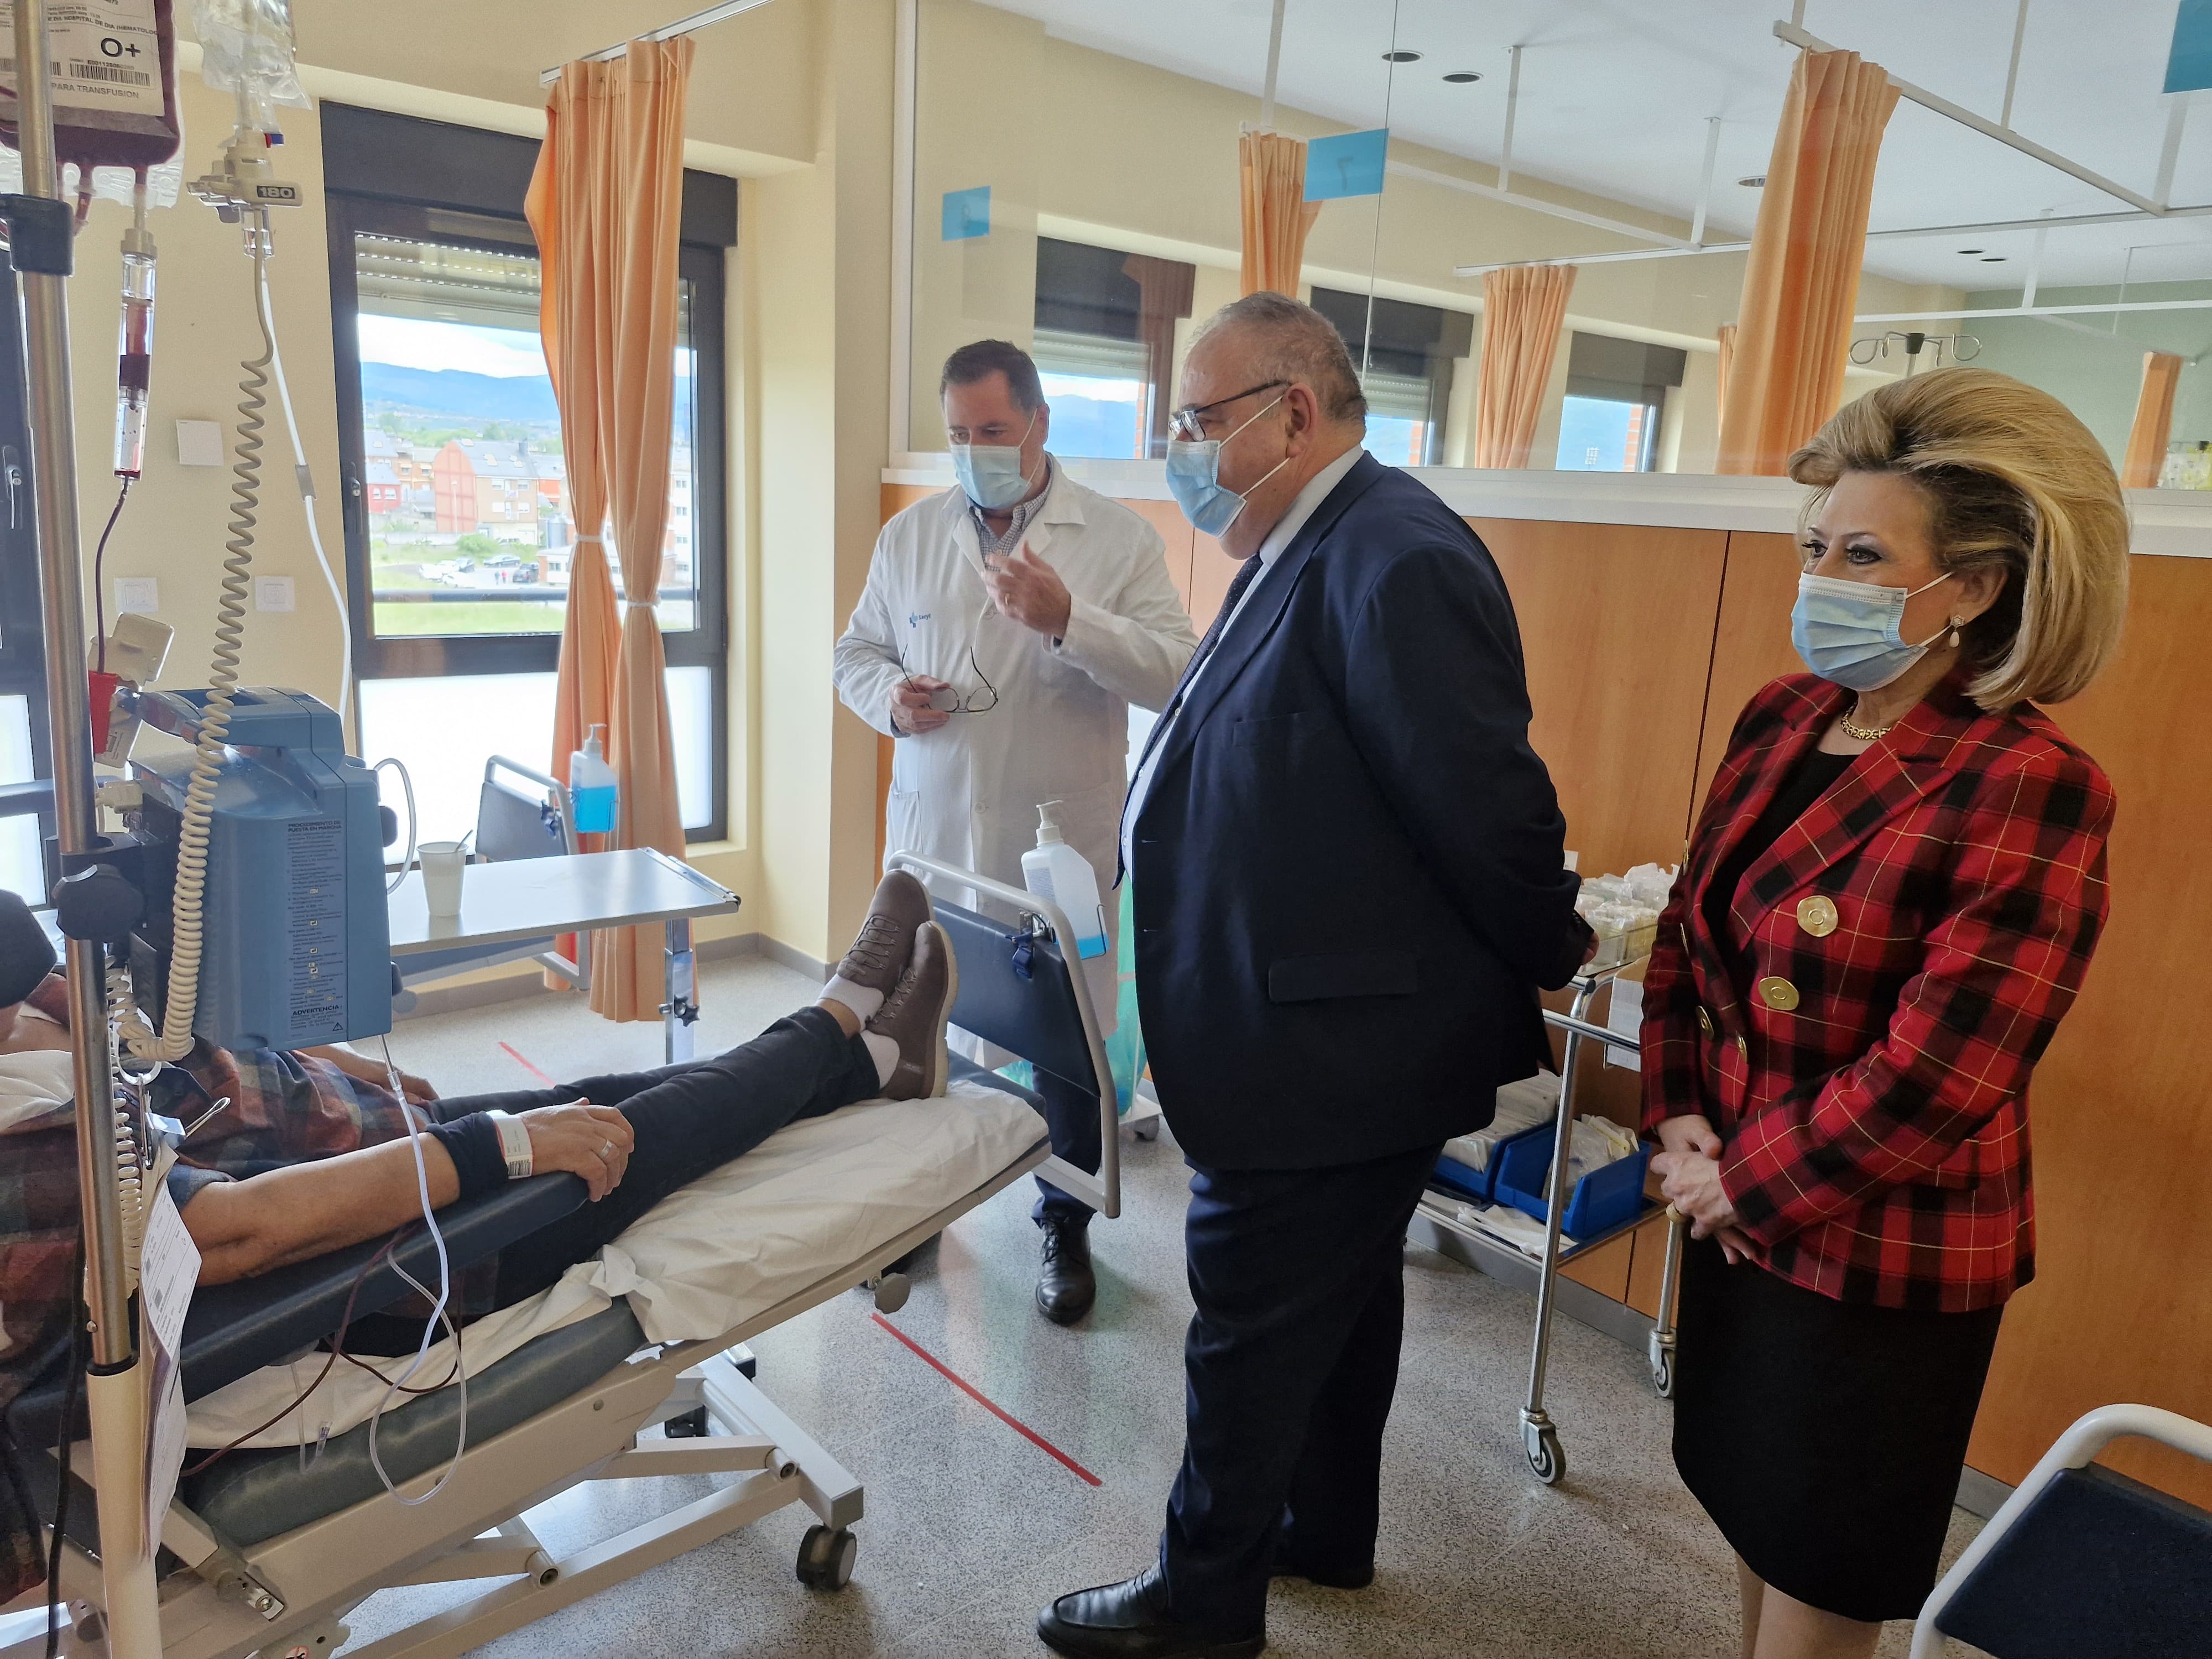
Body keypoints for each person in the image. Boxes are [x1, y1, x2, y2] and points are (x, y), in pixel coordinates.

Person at [1037, 293, 1592, 1659]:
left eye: (1197, 421)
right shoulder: (1297, 541)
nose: (1180, 449)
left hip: (1332, 1047)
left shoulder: (1394, 557)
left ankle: (1199, 1605)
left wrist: (1551, 952)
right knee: (1337, 1308)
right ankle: (1323, 1529)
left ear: (1292, 413)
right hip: (1307, 1018)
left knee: (1248, 1318)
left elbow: (1489, 808)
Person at [0, 873, 956, 1599]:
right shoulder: (24, 1157)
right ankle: (840, 1014)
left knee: (602, 1098)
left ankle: (874, 1064)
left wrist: (342, 1071)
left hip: (353, 1149)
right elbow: (236, 1234)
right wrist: (498, 1149)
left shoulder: (33, 998)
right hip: (396, 1262)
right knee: (650, 1128)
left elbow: (166, 1052)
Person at [1640, 368, 2128, 1659]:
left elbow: (1944, 1071)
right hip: (1734, 1208)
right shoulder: (1781, 715)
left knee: (1823, 1560)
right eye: (1814, 548)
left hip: (1874, 1248)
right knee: (1752, 1514)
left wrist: (1737, 1181)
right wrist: (1678, 1119)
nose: (1821, 579)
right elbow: (1689, 934)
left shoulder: (2028, 780)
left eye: (1862, 556)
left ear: (1969, 587)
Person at [834, 338, 1198, 1325]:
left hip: (1055, 846)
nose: (973, 451)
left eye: (992, 430)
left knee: (1065, 1046)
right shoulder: (911, 536)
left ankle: (1062, 1224)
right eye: (958, 434)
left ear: (1039, 423)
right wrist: (889, 698)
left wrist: (1070, 617)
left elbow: (1176, 673)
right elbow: (856, 651)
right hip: (937, 840)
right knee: (917, 1035)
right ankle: (916, 1212)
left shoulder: (1116, 541)